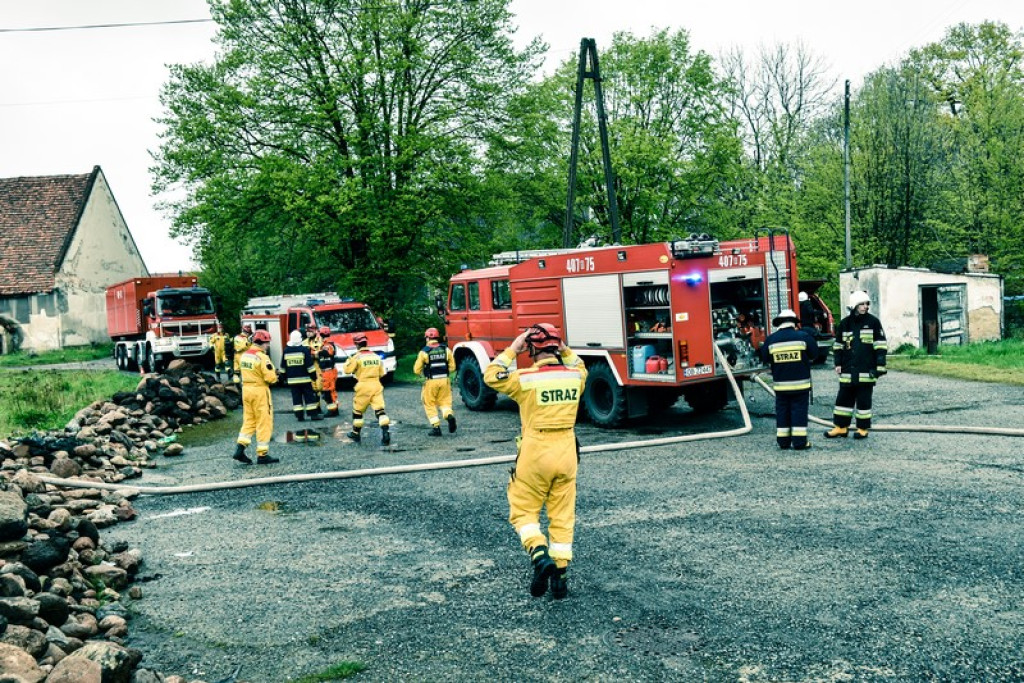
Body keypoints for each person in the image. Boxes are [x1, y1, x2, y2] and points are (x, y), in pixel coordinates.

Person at [483, 323, 587, 600]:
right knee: (562, 515)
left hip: (535, 451)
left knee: (523, 512)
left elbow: (491, 376)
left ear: (531, 349)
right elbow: (580, 364)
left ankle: (540, 556)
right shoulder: (575, 376)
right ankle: (561, 580)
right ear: (556, 346)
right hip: (567, 452)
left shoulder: (523, 379)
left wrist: (512, 349)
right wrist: (564, 348)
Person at [825, 290, 888, 440]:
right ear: (854, 305)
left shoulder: (873, 322)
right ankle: (840, 427)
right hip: (847, 370)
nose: (865, 307)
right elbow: (838, 345)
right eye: (862, 304)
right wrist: (837, 363)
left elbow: (880, 345)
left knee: (864, 401)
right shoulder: (845, 323)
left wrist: (879, 366)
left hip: (866, 370)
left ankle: (862, 428)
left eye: (867, 304)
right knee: (843, 400)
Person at [760, 308, 819, 450]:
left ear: (779, 323)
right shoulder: (804, 337)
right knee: (799, 411)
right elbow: (814, 354)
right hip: (800, 385)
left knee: (782, 412)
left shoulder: (771, 340)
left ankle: (783, 442)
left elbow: (764, 358)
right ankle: (799, 443)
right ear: (794, 323)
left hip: (781, 386)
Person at [232, 329, 279, 465]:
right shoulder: (262, 357)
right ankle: (262, 455)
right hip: (259, 391)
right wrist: (276, 376)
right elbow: (270, 378)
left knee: (249, 421)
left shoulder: (245, 355)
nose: (268, 345)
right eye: (267, 343)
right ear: (261, 343)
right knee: (264, 422)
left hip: (246, 390)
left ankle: (240, 449)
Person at [342, 332, 391, 445]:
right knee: (380, 410)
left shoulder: (357, 357)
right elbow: (382, 373)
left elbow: (347, 370)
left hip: (363, 385)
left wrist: (349, 361)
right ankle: (385, 432)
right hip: (376, 384)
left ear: (356, 344)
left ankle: (356, 432)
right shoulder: (375, 356)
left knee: (358, 411)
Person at [413, 327, 456, 436]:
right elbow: (452, 367)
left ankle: (436, 427)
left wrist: (422, 374)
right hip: (445, 380)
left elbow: (416, 370)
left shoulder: (424, 352)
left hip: (431, 381)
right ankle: (449, 415)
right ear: (437, 337)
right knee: (445, 402)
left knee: (429, 403)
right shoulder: (446, 349)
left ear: (427, 338)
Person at [281, 329, 324, 422]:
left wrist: (283, 378)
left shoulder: (286, 351)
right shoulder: (304, 350)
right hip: (305, 380)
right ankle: (313, 415)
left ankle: (299, 416)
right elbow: (310, 366)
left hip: (292, 381)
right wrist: (314, 377)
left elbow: (283, 367)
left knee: (296, 399)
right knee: (309, 397)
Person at [317, 325, 339, 417]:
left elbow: (326, 352)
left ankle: (332, 410)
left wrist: (315, 353)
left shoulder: (327, 345)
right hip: (328, 371)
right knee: (331, 391)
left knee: (327, 392)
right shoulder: (327, 344)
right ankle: (335, 409)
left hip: (328, 372)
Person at [303, 322, 324, 413]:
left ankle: (318, 407)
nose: (308, 333)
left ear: (315, 331)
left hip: (318, 366)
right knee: (311, 388)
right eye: (307, 331)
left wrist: (312, 354)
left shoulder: (320, 341)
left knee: (319, 387)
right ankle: (315, 408)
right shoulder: (303, 342)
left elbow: (322, 354)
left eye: (310, 331)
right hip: (308, 367)